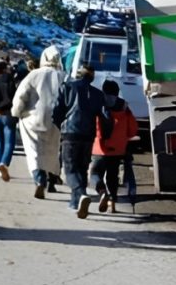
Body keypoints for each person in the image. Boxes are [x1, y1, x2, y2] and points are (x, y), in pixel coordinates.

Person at [52, 63, 113, 219]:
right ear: (92, 77)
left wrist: (58, 125)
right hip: (88, 135)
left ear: (78, 74)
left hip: (70, 132)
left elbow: (58, 109)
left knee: (70, 168)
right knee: (81, 168)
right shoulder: (98, 94)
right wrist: (105, 136)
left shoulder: (67, 87)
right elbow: (106, 117)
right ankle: (75, 202)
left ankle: (80, 194)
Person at [11, 46, 66, 199]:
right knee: (52, 151)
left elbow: (20, 97)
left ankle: (39, 179)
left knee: (33, 151)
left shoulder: (33, 75)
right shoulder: (64, 76)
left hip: (33, 119)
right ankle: (52, 180)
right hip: (57, 121)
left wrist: (17, 112)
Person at [90, 79, 138, 213]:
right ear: (117, 92)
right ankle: (113, 203)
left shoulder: (98, 104)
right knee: (112, 176)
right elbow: (133, 129)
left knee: (94, 174)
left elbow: (91, 125)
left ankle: (102, 191)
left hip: (99, 148)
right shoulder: (124, 107)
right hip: (117, 149)